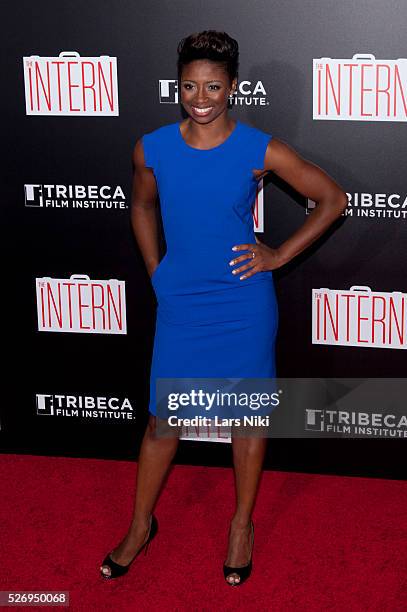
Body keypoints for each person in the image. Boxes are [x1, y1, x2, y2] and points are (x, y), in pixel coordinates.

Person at [100, 30, 347, 586]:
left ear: (233, 87)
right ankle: (140, 525)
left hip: (242, 302)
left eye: (213, 85)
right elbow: (140, 205)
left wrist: (278, 254)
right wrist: (156, 270)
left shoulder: (259, 148)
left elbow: (333, 198)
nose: (201, 96)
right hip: (181, 300)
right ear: (177, 86)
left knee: (247, 418)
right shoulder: (153, 147)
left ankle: (241, 526)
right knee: (165, 421)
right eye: (190, 85)